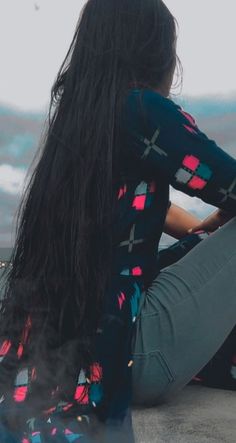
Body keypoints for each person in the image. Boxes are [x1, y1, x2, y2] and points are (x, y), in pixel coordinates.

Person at [0, 0, 236, 442]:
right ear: (155, 53)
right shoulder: (143, 110)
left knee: (196, 245)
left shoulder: (77, 127)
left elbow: (146, 211)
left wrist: (201, 232)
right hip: (130, 352)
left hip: (73, 350)